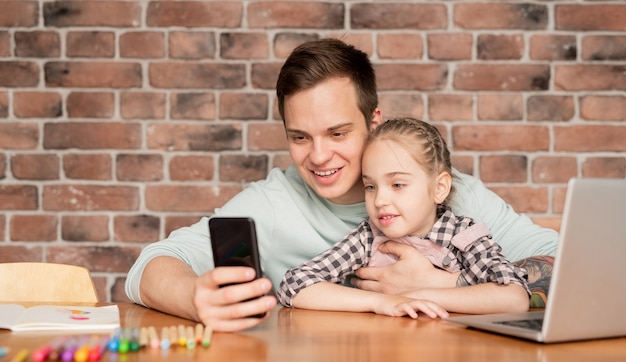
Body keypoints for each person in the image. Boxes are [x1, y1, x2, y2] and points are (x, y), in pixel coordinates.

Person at [125, 38, 558, 332]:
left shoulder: (450, 193)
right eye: (299, 137)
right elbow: (153, 265)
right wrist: (194, 296)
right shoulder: (273, 205)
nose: (317, 156)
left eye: (337, 134)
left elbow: (564, 263)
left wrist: (451, 288)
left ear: (374, 122)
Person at [278, 117, 530, 318]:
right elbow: (295, 285)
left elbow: (514, 298)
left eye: (397, 184)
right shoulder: (368, 238)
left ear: (439, 188)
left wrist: (418, 294)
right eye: (370, 186)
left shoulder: (464, 235)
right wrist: (381, 302)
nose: (379, 201)